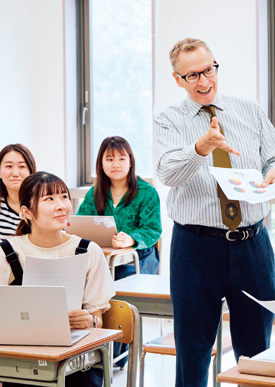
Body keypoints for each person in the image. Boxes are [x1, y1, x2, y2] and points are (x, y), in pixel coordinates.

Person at [155, 38, 275, 387]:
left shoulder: (248, 110)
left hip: (252, 245)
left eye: (208, 70)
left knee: (257, 351)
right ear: (177, 79)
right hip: (195, 247)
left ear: (216, 66)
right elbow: (167, 173)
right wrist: (201, 148)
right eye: (192, 76)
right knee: (193, 351)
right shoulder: (167, 121)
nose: (204, 82)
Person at [0, 171, 114, 387]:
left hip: (76, 361)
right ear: (27, 212)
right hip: (22, 360)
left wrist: (90, 321)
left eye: (64, 197)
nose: (61, 205)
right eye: (49, 199)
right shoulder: (7, 252)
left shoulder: (88, 251)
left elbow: (99, 322)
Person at [77, 136, 162, 279]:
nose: (115, 164)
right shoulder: (93, 193)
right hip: (103, 259)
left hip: (138, 259)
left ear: (130, 162)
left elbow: (153, 229)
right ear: (101, 164)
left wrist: (131, 239)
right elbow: (80, 224)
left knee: (114, 287)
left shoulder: (147, 192)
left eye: (121, 159)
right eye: (110, 159)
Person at [0, 143, 36, 240]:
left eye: (22, 166)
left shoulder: (42, 203)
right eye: (9, 166)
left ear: (30, 171)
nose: (15, 173)